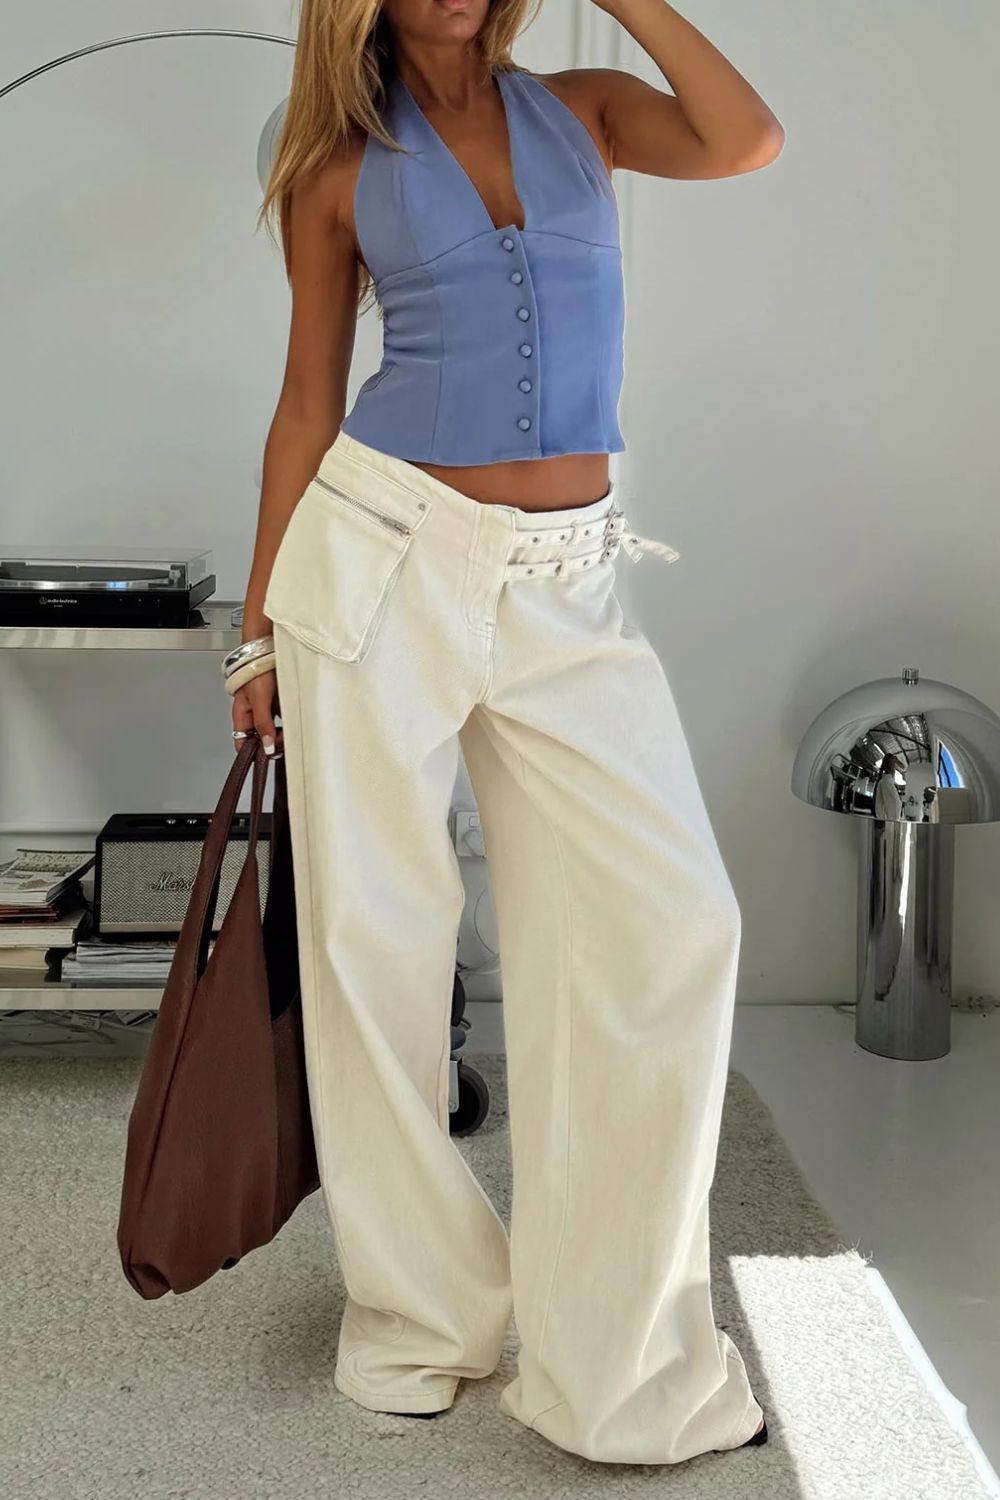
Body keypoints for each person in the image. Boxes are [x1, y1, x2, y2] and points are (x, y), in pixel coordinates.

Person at [225, 0, 783, 1466]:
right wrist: (256, 629)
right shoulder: (334, 163)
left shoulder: (585, 112)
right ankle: (421, 1313)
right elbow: (305, 398)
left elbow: (747, 139)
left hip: (566, 582)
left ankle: (622, 1363)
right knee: (376, 944)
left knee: (673, 927)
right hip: (383, 553)